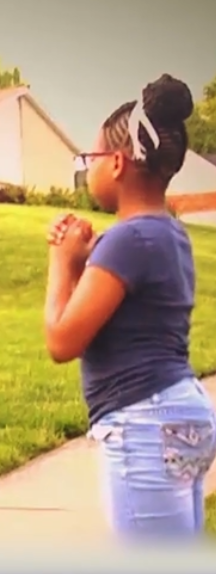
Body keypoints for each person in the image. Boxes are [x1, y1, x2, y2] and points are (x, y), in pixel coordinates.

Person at [44, 74, 216, 537]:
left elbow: (62, 340)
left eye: (90, 157)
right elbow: (112, 319)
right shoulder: (168, 234)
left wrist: (61, 262)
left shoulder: (126, 239)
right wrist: (84, 263)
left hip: (145, 422)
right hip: (182, 411)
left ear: (117, 163)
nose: (87, 167)